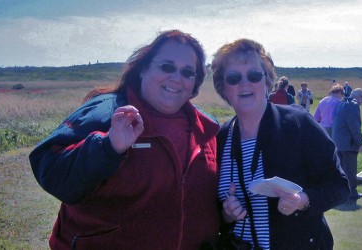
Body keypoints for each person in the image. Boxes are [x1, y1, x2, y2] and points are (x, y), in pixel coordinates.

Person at [29, 30, 221, 249]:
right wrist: (108, 147)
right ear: (143, 69)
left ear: (195, 83)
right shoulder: (105, 113)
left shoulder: (207, 127)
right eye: (167, 67)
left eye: (188, 72)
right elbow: (54, 174)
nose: (176, 78)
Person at [211, 38, 350, 249]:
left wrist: (302, 200)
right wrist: (226, 214)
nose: (244, 83)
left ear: (267, 82)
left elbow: (339, 186)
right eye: (233, 78)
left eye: (254, 75)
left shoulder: (298, 124)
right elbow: (211, 209)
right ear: (223, 87)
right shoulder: (221, 137)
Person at [332, 88, 362, 207]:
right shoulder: (353, 105)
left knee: (341, 169)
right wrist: (359, 142)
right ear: (360, 97)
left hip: (338, 142)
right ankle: (352, 193)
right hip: (348, 143)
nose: (361, 104)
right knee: (350, 170)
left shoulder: (342, 103)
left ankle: (342, 193)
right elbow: (354, 126)